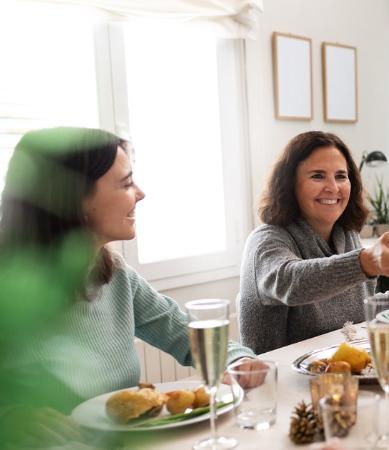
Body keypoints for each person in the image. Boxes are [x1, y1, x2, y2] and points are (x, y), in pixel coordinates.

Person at [0, 128, 258, 447]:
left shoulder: (115, 275)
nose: (140, 193)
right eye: (125, 183)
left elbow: (185, 333)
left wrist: (236, 361)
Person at [238, 131, 389, 353]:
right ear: (290, 184)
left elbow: (364, 302)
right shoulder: (266, 240)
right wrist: (366, 262)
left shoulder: (345, 234)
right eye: (317, 176)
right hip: (277, 381)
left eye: (341, 176)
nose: (333, 187)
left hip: (341, 374)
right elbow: (292, 283)